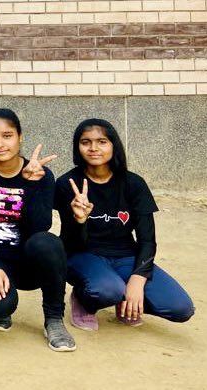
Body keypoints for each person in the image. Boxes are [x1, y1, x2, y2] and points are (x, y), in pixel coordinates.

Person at [56, 118, 194, 331]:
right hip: (83, 256)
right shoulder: (68, 184)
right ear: (77, 147)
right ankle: (85, 299)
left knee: (180, 308)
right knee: (107, 290)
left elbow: (147, 240)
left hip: (125, 257)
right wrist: (80, 220)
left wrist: (137, 281)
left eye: (102, 141)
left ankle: (124, 298)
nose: (93, 148)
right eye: (85, 142)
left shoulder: (134, 184)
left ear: (114, 145)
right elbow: (72, 242)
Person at [0, 108, 76, 352]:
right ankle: (0, 307)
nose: (0, 144)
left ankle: (54, 319)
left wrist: (30, 184)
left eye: (7, 136)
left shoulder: (42, 176)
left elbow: (40, 227)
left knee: (48, 242)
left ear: (20, 136)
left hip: (26, 259)